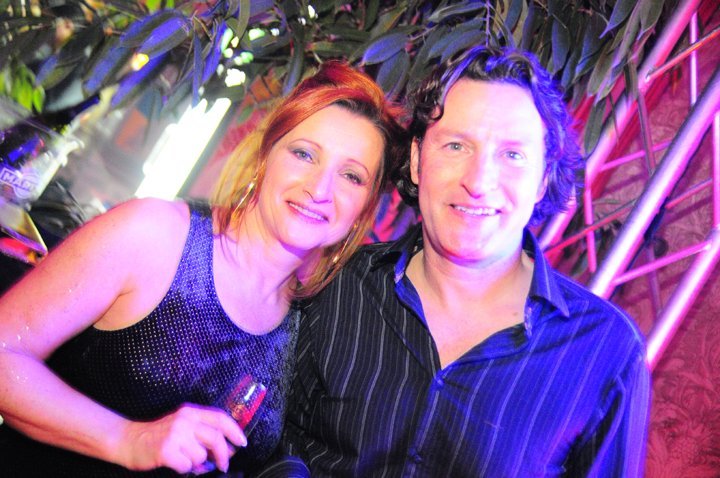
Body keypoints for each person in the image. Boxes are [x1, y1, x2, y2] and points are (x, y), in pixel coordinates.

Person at [0, 61, 407, 476]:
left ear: (363, 210)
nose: (320, 189)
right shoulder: (155, 235)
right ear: (267, 154)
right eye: (304, 154)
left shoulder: (314, 325)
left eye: (351, 176)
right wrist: (127, 438)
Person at [279, 46, 651, 477]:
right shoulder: (336, 283)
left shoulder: (606, 351)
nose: (478, 181)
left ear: (542, 180)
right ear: (416, 161)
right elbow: (272, 449)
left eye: (512, 155)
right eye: (456, 146)